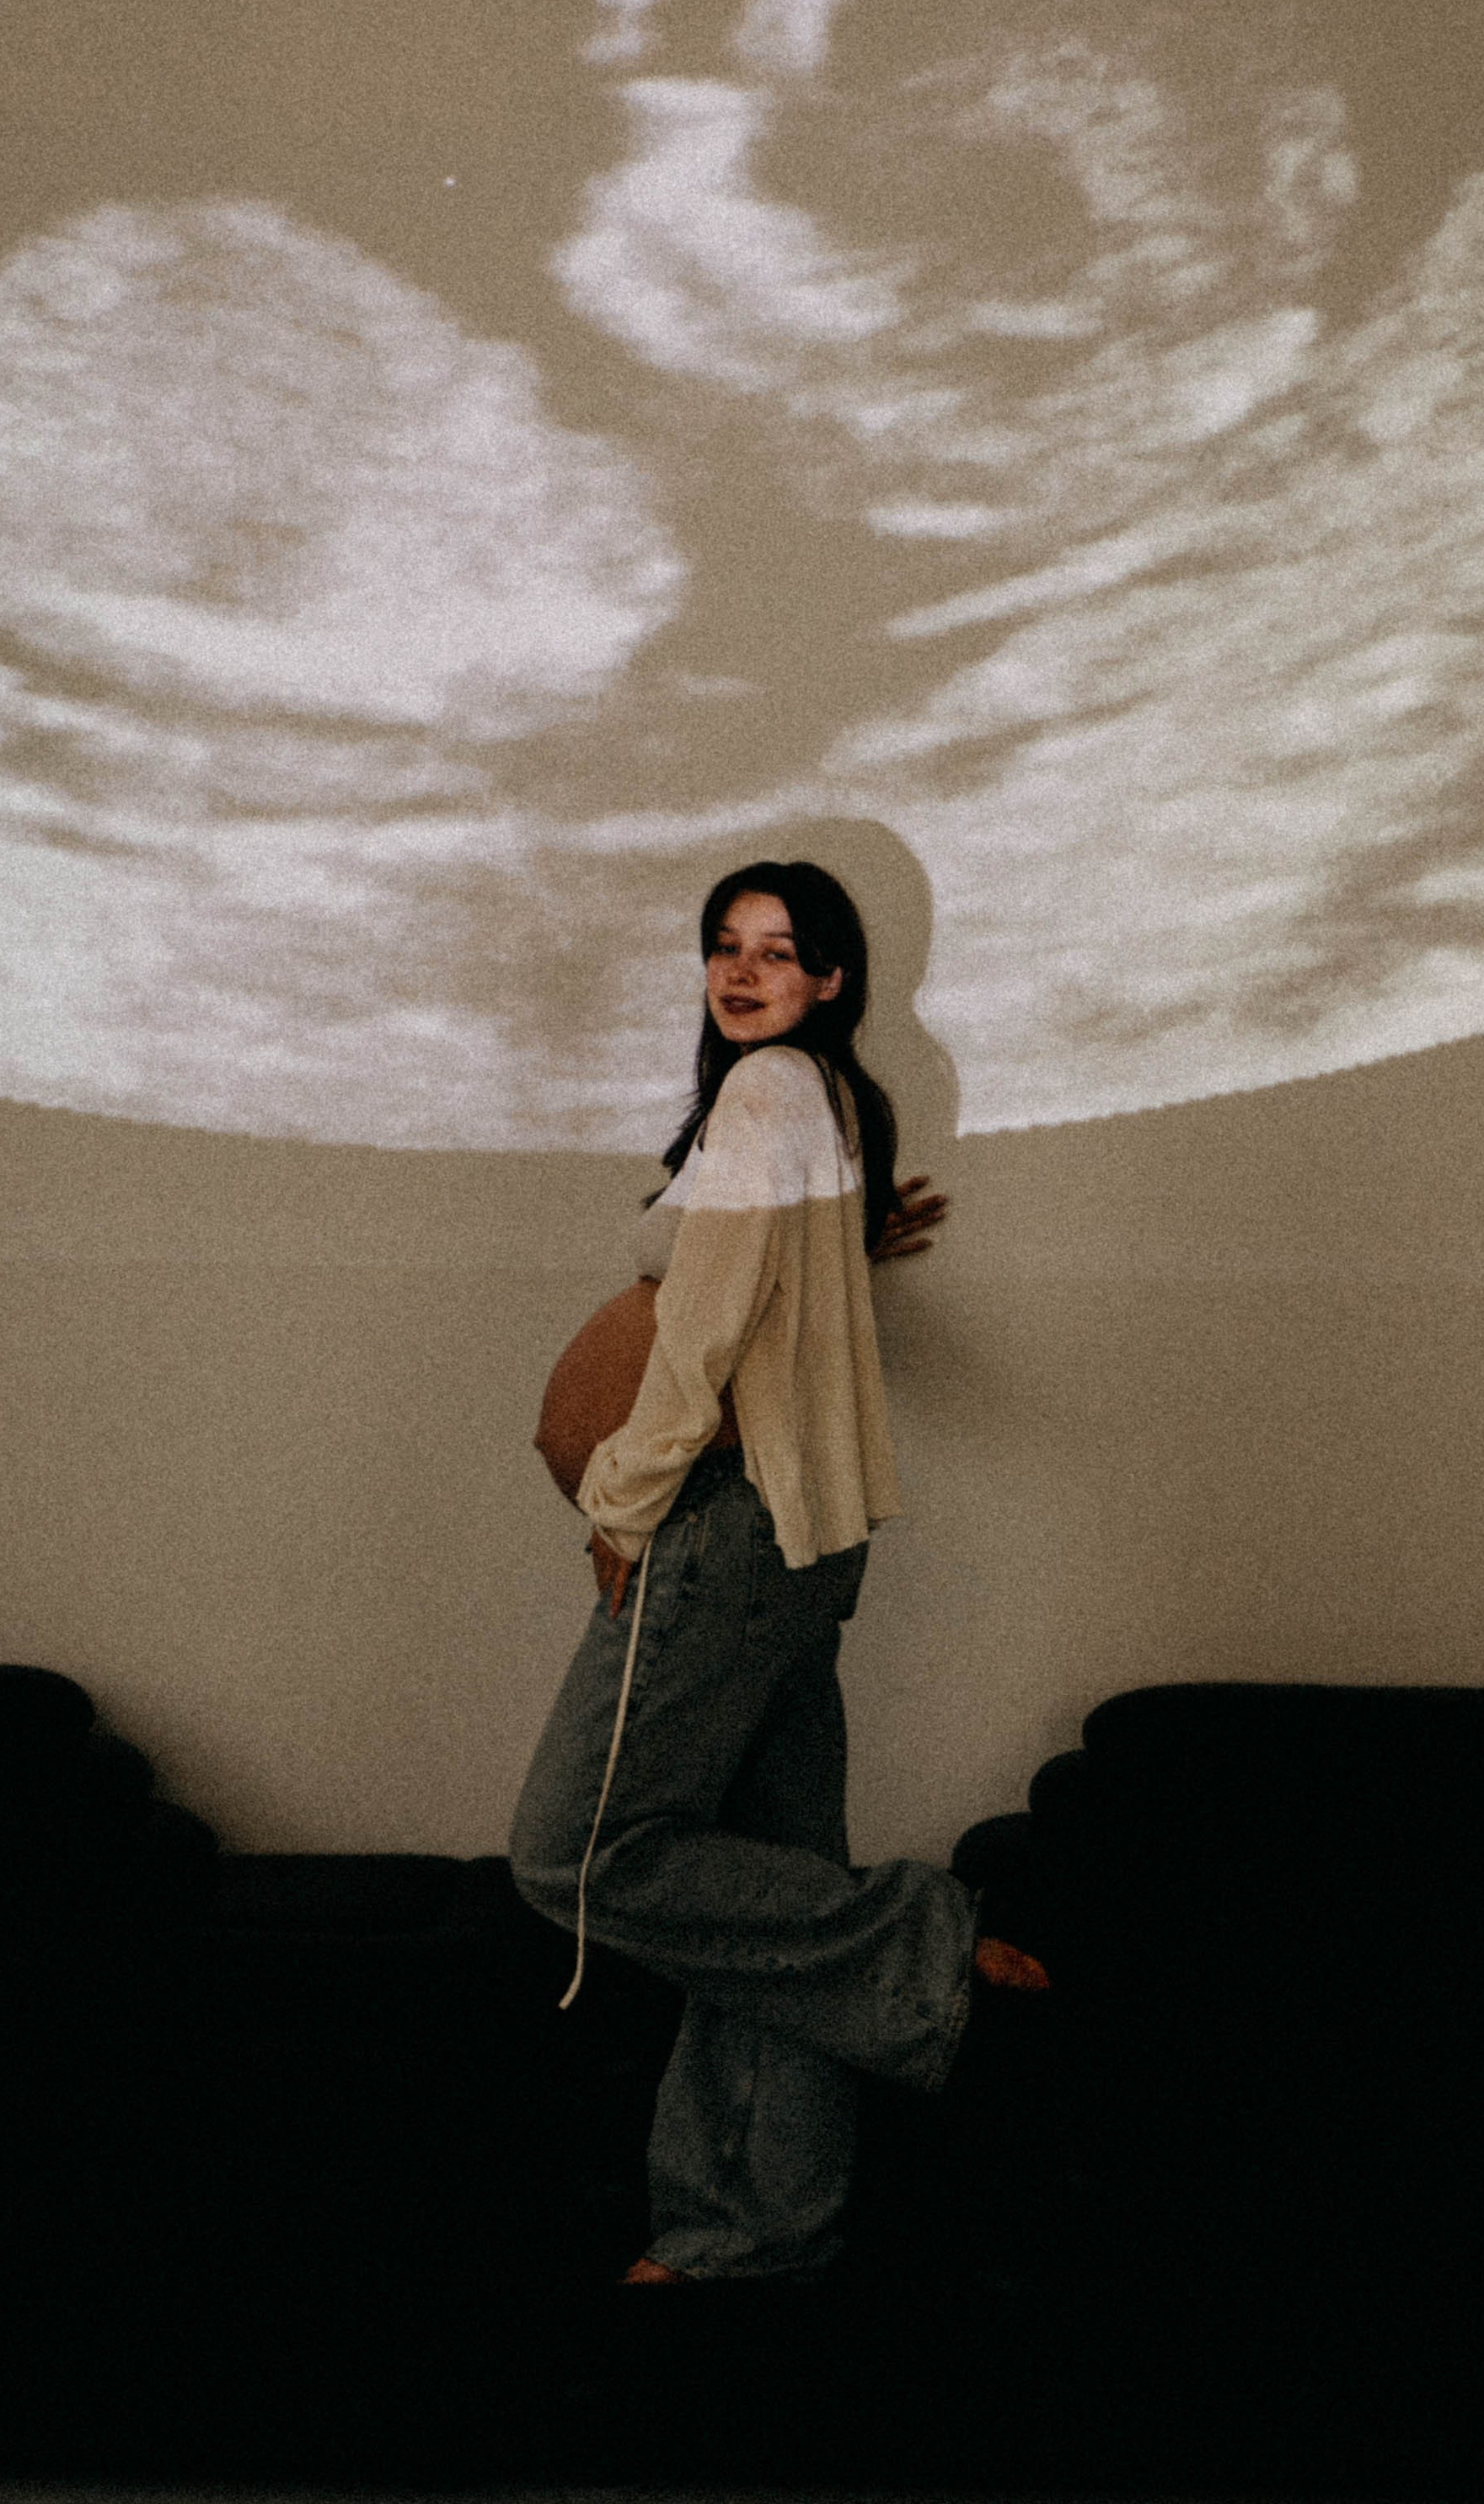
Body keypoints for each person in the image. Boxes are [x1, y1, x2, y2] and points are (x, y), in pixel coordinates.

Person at [509, 858, 1043, 2287]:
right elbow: (772, 1293)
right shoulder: (801, 1107)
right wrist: (852, 1242)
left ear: (833, 980)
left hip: (725, 1529)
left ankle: (925, 1950)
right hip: (790, 1545)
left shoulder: (767, 1095)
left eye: (779, 951)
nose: (742, 972)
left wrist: (619, 1503)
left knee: (573, 1852)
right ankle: (750, 2234)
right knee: (767, 1887)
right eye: (723, 948)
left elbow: (700, 1341)